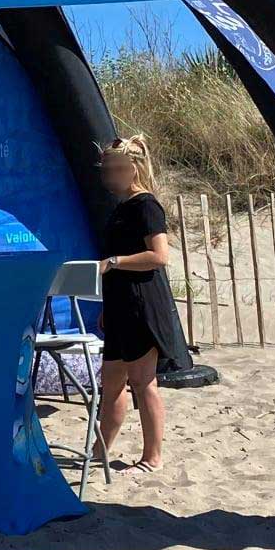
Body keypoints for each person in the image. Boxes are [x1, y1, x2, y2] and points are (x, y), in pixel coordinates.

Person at [94, 134, 172, 473]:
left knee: (143, 382)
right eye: (105, 168)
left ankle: (152, 456)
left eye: (115, 168)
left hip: (141, 303)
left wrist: (114, 261)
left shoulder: (145, 206)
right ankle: (98, 452)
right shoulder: (121, 207)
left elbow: (159, 255)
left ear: (134, 169)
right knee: (111, 384)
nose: (108, 175)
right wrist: (105, 308)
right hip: (119, 304)